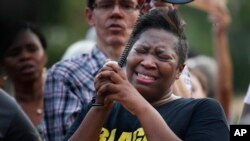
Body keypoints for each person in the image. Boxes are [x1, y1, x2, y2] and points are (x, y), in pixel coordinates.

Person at [65, 9, 229, 141]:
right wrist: (100, 106)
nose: (148, 62)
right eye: (141, 51)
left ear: (179, 70)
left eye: (162, 56)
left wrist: (139, 105)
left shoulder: (202, 110)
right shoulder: (98, 109)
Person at [42, 0, 193, 140]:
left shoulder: (167, 66)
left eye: (126, 5)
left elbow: (188, 118)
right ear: (90, 16)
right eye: (106, 5)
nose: (116, 13)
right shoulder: (64, 74)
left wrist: (164, 20)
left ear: (142, 12)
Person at [0, 21, 48, 138]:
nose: (25, 57)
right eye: (14, 53)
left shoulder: (65, 94)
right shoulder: (3, 109)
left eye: (32, 49)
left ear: (45, 55)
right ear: (2, 64)